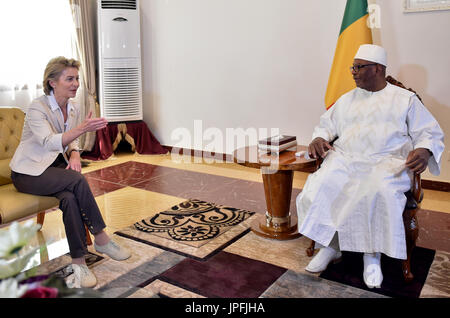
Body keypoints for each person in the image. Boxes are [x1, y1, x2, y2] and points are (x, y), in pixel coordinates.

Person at [296, 44, 445, 288]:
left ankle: (372, 255)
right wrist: (318, 138)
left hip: (387, 162)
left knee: (376, 189)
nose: (353, 72)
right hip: (346, 158)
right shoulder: (347, 99)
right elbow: (326, 126)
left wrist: (425, 149)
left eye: (358, 67)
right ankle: (331, 246)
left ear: (378, 69)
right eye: (352, 67)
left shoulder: (404, 99)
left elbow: (429, 132)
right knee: (323, 183)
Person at [10, 57, 131, 288]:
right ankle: (102, 238)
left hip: (51, 169)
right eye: (69, 79)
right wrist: (82, 129)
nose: (75, 83)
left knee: (69, 198)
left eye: (76, 78)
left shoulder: (72, 107)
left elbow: (70, 143)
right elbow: (49, 142)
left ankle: (79, 263)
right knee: (77, 180)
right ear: (52, 82)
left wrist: (75, 154)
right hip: (27, 173)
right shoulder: (38, 107)